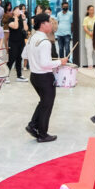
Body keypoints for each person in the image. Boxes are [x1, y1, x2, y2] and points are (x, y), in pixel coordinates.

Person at [24, 13, 67, 143]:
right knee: (47, 105)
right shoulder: (45, 42)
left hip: (34, 76)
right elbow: (45, 64)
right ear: (43, 24)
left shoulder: (32, 38)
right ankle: (42, 134)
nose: (51, 24)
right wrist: (60, 62)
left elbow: (24, 55)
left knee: (44, 102)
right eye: (49, 22)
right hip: (44, 77)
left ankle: (33, 125)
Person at [6, 6, 28, 81]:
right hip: (13, 43)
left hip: (21, 42)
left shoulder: (21, 19)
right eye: (17, 10)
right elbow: (15, 27)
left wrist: (24, 19)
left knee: (19, 58)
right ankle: (5, 76)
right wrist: (15, 17)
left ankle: (19, 76)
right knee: (11, 59)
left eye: (19, 10)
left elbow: (26, 29)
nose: (19, 11)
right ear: (13, 11)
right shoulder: (10, 19)